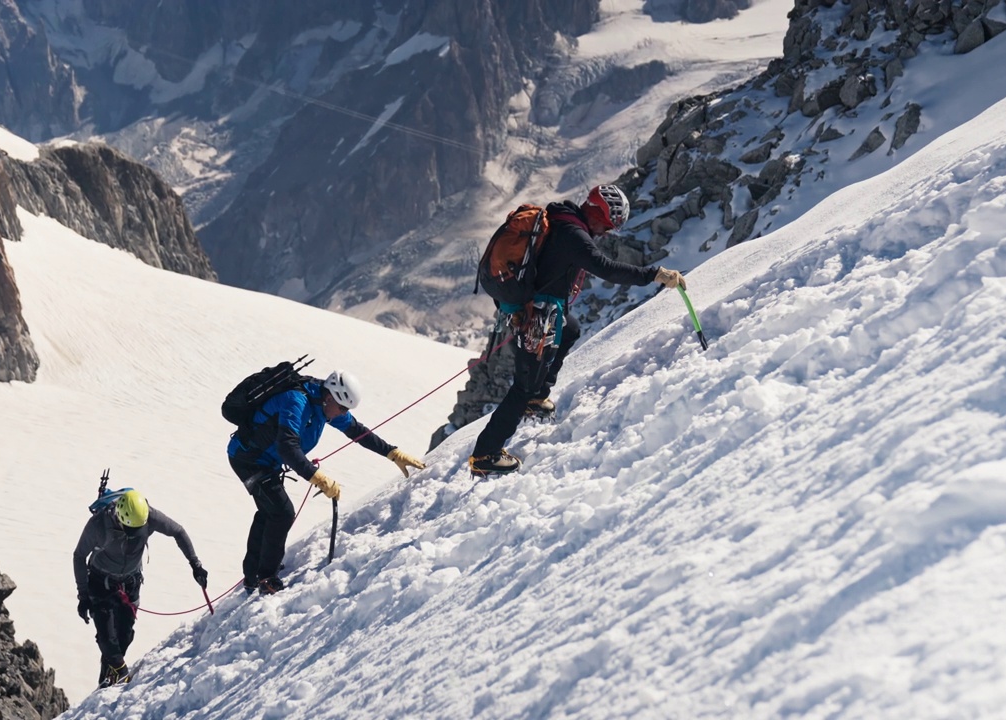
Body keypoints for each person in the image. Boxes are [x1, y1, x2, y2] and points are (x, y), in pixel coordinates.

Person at [468, 184, 687, 476]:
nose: (608, 231)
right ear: (597, 211)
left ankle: (536, 397)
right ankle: (485, 454)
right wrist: (654, 275)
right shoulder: (574, 236)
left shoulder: (561, 221)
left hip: (543, 310)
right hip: (538, 317)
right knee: (523, 385)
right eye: (609, 223)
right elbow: (606, 268)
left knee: (569, 329)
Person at [227, 369, 426, 595]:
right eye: (342, 408)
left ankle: (254, 574)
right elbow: (287, 447)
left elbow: (357, 431)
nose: (343, 413)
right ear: (330, 397)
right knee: (281, 513)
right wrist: (316, 477)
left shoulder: (324, 405)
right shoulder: (296, 401)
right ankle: (265, 577)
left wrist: (392, 453)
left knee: (269, 511)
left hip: (266, 460)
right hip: (248, 459)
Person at [73, 489, 208, 687]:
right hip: (100, 584)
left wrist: (195, 564)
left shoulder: (148, 516)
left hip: (130, 583)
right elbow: (79, 556)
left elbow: (178, 531)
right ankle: (120, 676)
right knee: (107, 637)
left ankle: (109, 671)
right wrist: (83, 596)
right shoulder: (99, 525)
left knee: (125, 635)